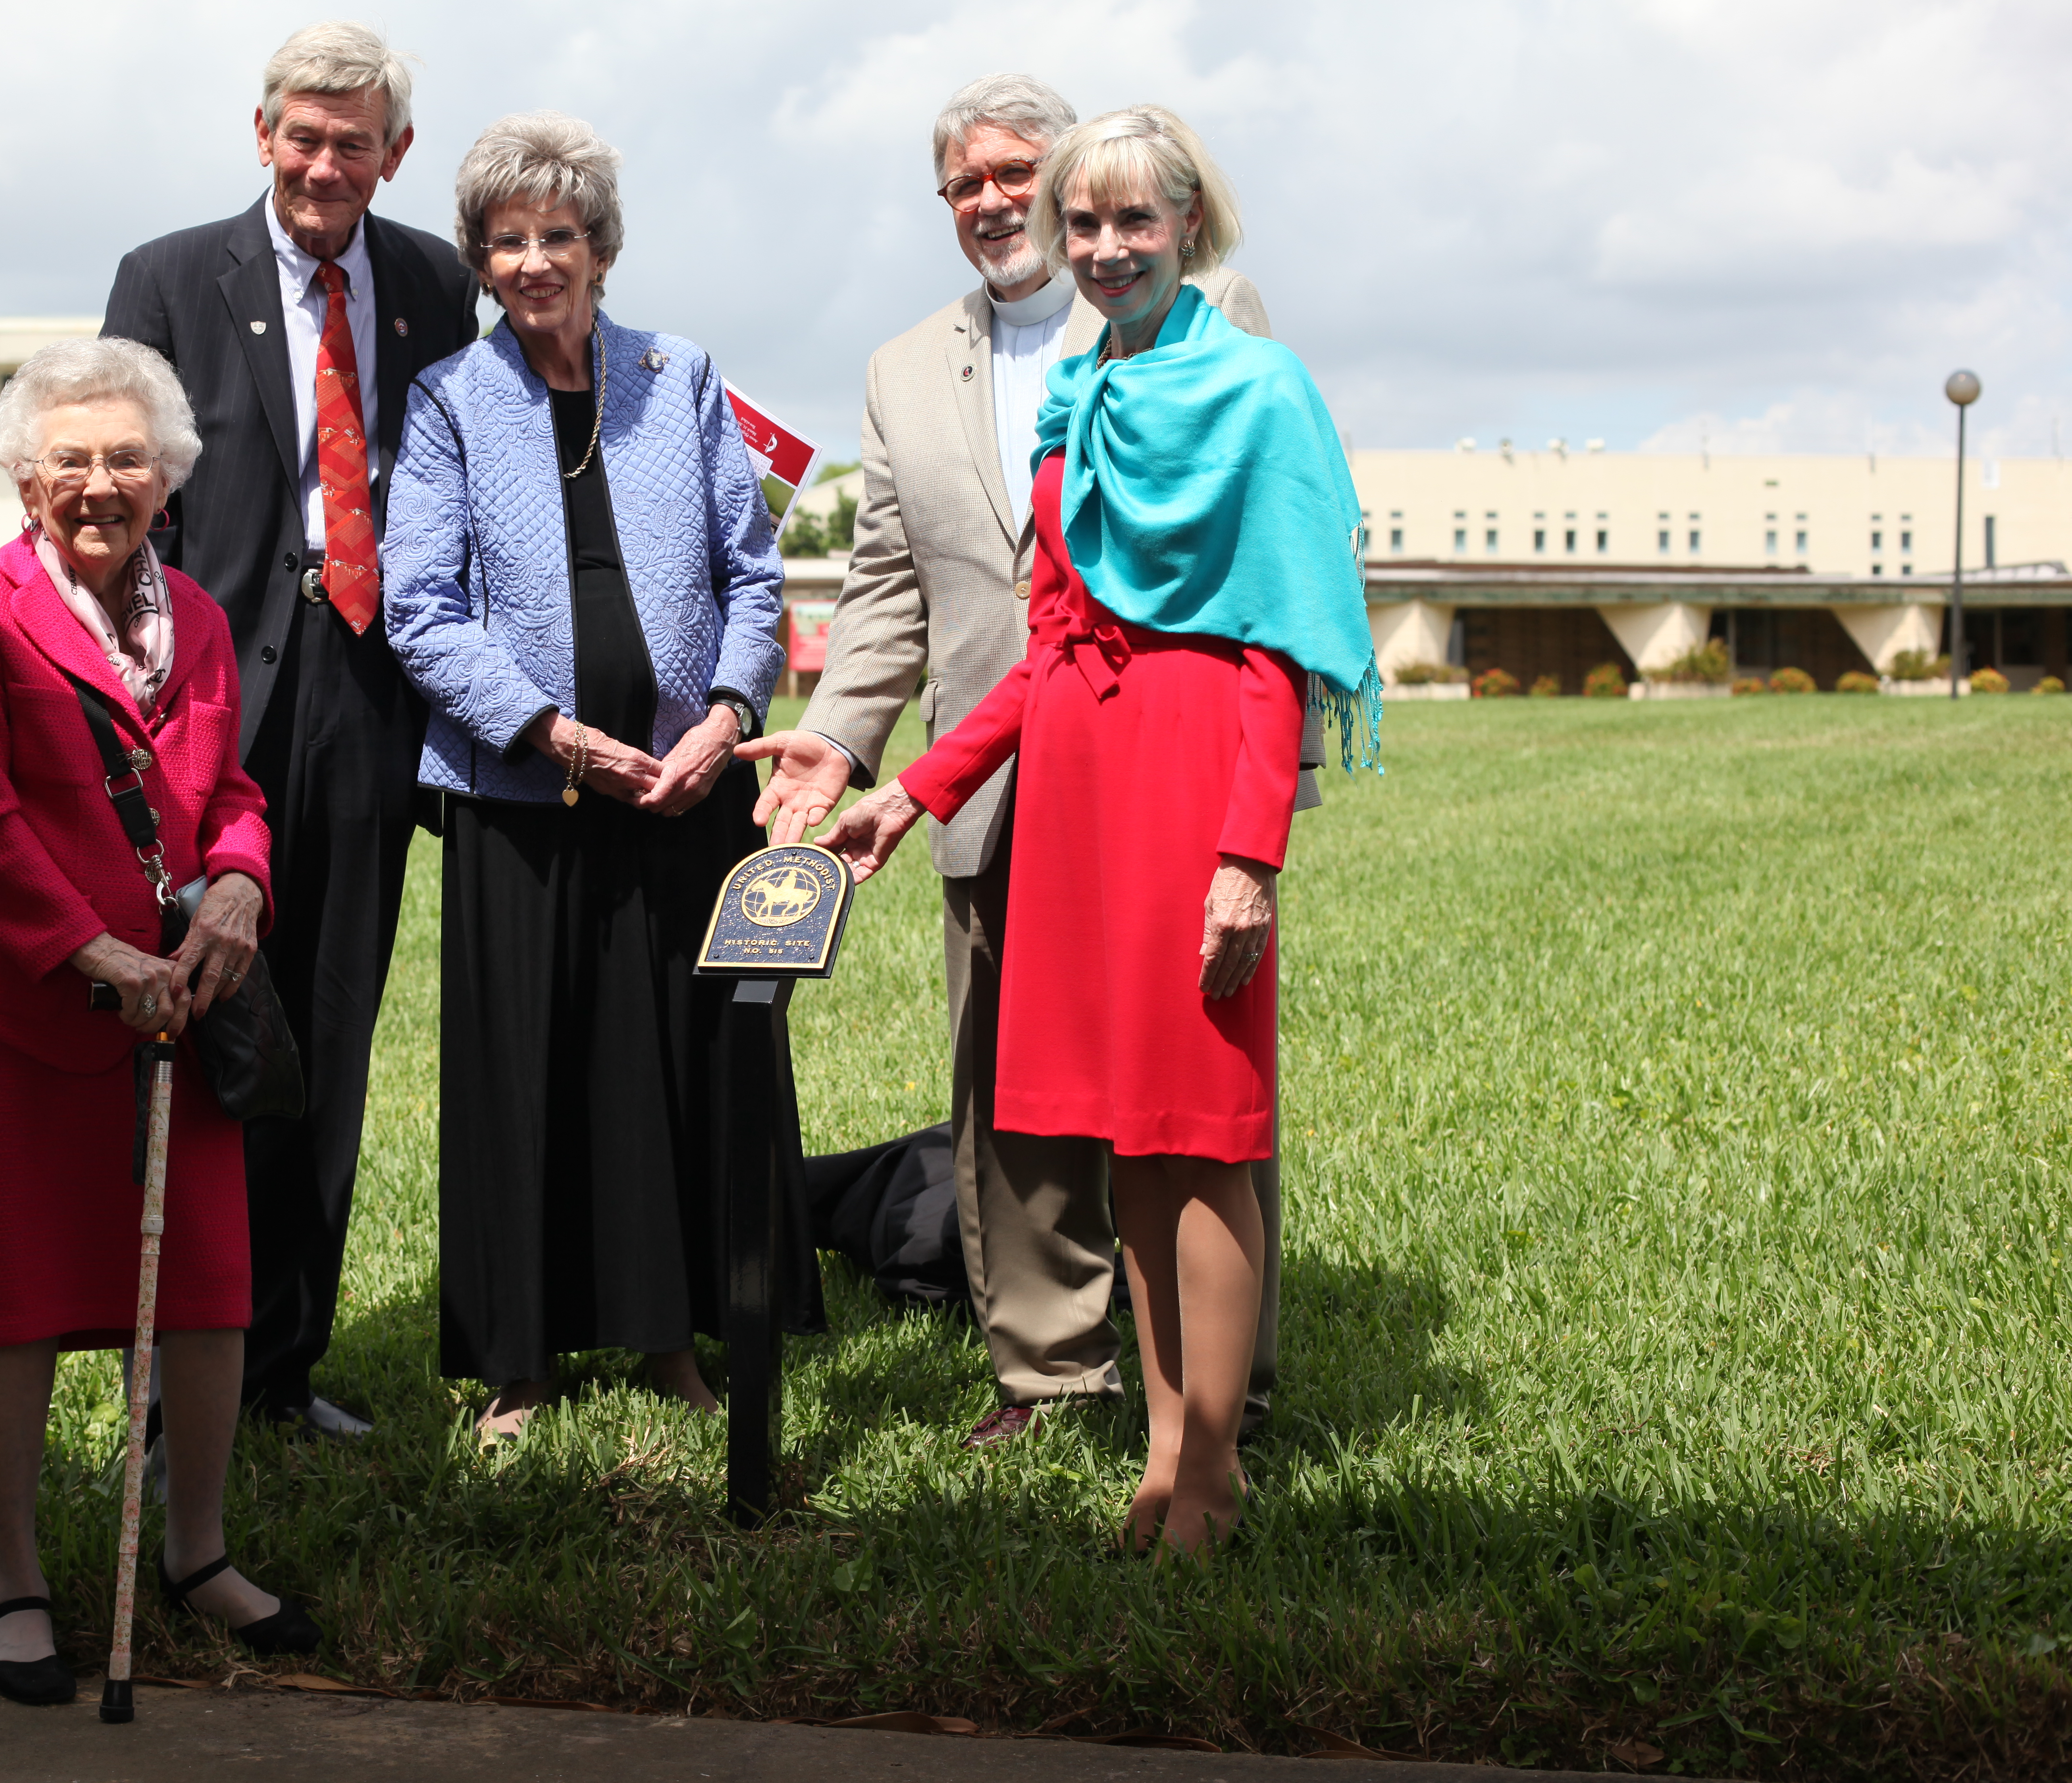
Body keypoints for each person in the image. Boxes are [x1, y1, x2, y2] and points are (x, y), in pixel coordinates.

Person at [814, 106, 1377, 1554]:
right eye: (1087, 226)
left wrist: (1252, 854)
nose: (1107, 250)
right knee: (1126, 1145)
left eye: (1137, 221)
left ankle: (1216, 1469)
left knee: (1201, 1132)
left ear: (1194, 223)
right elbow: (1049, 649)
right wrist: (919, 787)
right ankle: (1164, 1453)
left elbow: (1277, 648)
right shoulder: (1082, 399)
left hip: (1194, 794)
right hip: (1071, 798)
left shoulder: (1259, 390)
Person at [0, 337, 323, 1704]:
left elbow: (232, 797)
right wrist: (91, 953)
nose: (100, 482)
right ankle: (16, 1575)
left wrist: (243, 893)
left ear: (169, 478)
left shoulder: (197, 619)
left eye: (127, 458)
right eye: (71, 459)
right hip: (27, 1011)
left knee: (207, 1295)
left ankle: (198, 1555)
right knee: (16, 1301)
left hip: (180, 1009)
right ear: (27, 481)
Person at [381, 112, 792, 1442]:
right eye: (507, 241)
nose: (534, 261)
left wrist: (725, 720)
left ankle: (673, 1337)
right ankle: (521, 1364)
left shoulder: (680, 378)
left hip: (686, 790)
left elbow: (753, 573)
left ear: (603, 247)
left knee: (679, 1064)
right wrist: (555, 733)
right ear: (481, 261)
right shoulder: (448, 399)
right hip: (526, 793)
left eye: (558, 235)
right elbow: (420, 611)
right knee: (526, 1074)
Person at [100, 22, 478, 1440]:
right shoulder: (167, 276)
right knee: (209, 1020)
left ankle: (280, 1366)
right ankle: (174, 1355)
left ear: (397, 154)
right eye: (304, 137)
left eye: (356, 141)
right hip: (214, 698)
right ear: (261, 135)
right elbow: (125, 499)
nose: (328, 165)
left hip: (376, 685)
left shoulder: (436, 282)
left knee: (331, 1021)